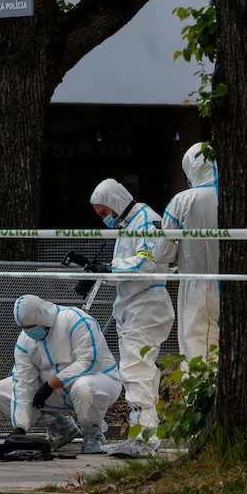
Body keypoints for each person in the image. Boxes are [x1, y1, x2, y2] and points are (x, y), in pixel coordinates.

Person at [84, 179, 175, 458]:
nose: (104, 219)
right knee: (137, 374)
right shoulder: (130, 225)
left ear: (115, 203)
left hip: (146, 306)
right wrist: (97, 269)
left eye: (104, 213)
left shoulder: (146, 221)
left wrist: (109, 268)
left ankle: (144, 440)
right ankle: (141, 437)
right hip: (135, 307)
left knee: (138, 373)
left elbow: (145, 263)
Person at [0, 295, 122, 454]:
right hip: (58, 393)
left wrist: (51, 384)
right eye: (24, 327)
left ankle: (93, 433)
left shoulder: (75, 319)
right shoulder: (25, 340)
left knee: (85, 386)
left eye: (32, 326)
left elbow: (90, 361)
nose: (29, 331)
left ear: (43, 318)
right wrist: (20, 428)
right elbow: (23, 381)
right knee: (2, 390)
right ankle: (61, 427)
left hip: (101, 381)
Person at [162, 143, 220, 360]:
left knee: (197, 349)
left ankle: (200, 394)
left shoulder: (182, 200)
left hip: (196, 287)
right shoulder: (239, 198)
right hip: (237, 284)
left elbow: (163, 252)